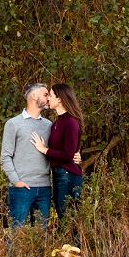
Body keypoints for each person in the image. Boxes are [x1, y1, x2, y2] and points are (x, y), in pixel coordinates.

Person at [0, 82, 53, 229]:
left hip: (44, 187)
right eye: (45, 94)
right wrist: (16, 181)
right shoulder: (13, 124)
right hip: (21, 188)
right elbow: (5, 156)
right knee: (16, 234)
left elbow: (57, 151)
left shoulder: (49, 125)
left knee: (40, 235)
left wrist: (75, 155)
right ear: (34, 96)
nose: (48, 98)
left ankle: (37, 254)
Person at [30, 83, 84, 220]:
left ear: (59, 99)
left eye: (51, 95)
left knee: (68, 218)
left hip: (69, 175)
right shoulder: (56, 123)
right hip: (59, 173)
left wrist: (44, 150)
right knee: (62, 215)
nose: (48, 99)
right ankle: (67, 242)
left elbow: (67, 155)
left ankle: (75, 242)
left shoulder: (71, 122)